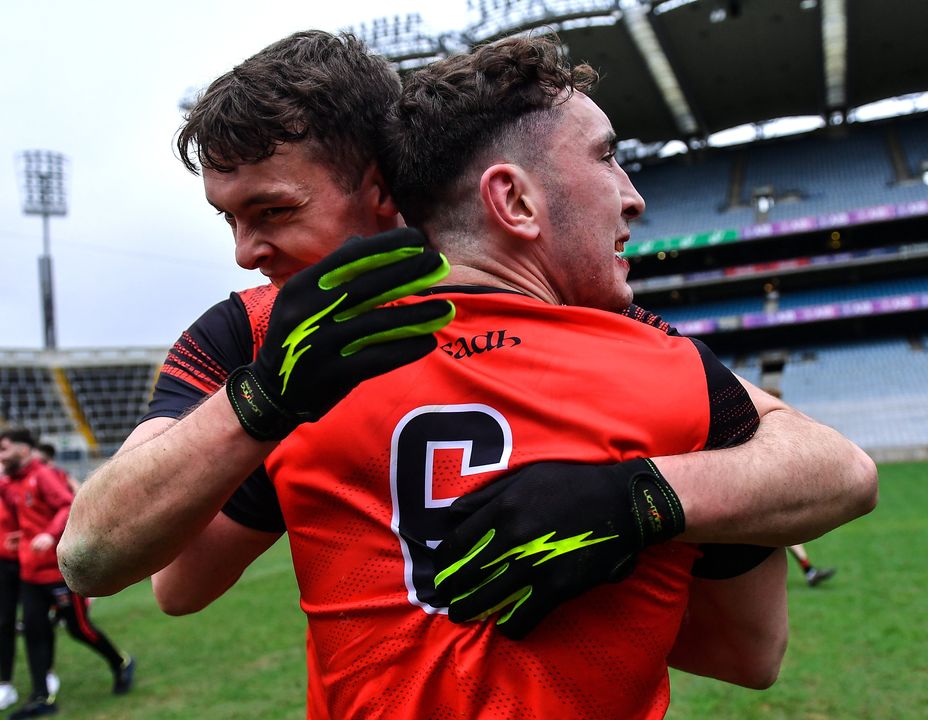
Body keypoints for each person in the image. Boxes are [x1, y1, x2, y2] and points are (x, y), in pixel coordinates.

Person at [56, 31, 876, 718]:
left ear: (383, 192)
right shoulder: (254, 335)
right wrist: (266, 413)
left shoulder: (620, 339)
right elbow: (134, 570)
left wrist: (643, 503)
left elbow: (822, 473)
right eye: (228, 219)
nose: (244, 251)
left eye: (273, 211)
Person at [0, 429, 135, 718]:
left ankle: (121, 663)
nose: (1, 456)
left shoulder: (43, 475)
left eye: (5, 449)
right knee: (35, 633)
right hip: (29, 573)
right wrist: (17, 536)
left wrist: (49, 535)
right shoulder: (12, 483)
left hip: (57, 573)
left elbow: (65, 504)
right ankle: (42, 699)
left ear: (24, 450)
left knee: (79, 629)